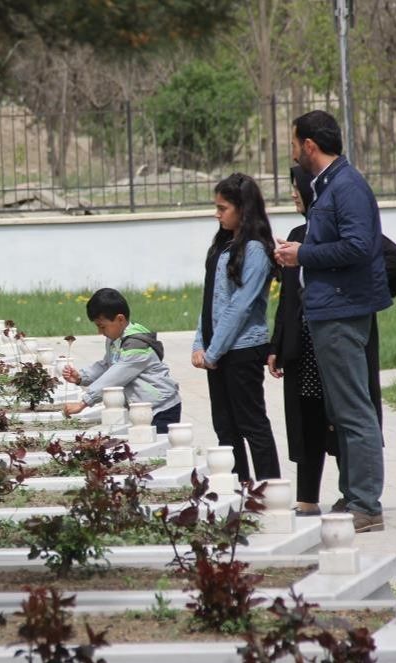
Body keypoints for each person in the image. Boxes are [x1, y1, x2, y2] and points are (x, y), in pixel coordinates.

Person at [274, 110, 392, 533]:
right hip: (328, 312)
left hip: (343, 312)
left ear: (309, 145)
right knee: (340, 409)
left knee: (354, 410)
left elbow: (360, 246)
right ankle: (353, 495)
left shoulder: (347, 186)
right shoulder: (329, 187)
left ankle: (365, 504)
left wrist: (301, 255)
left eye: (293, 144)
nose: (292, 152)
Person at [192, 173, 281, 482]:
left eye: (223, 208)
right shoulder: (223, 245)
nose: (217, 215)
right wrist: (198, 344)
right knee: (225, 426)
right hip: (219, 350)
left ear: (243, 209)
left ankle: (270, 491)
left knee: (251, 424)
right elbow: (211, 301)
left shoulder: (255, 250)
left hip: (242, 350)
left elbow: (240, 306)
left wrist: (213, 351)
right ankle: (239, 489)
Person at [267, 166, 339, 516]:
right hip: (303, 348)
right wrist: (277, 345)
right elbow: (288, 299)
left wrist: (358, 304)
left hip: (334, 344)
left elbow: (394, 264)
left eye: (298, 187)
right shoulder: (297, 233)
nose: (294, 194)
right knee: (306, 420)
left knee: (339, 419)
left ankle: (354, 495)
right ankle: (307, 498)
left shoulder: (337, 232)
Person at [61, 287, 182, 433]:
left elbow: (115, 376)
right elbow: (108, 365)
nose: (100, 332)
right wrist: (81, 376)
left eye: (102, 326)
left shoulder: (136, 346)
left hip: (161, 407)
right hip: (143, 408)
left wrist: (84, 402)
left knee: (159, 450)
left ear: (120, 319)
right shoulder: (115, 338)